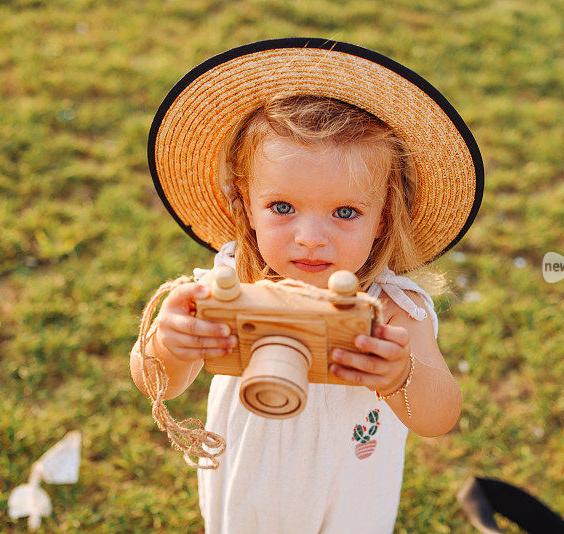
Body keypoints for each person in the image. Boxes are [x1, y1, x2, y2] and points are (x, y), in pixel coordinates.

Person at [130, 38, 483, 533]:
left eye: (345, 212)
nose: (311, 239)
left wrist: (401, 374)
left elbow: (440, 416)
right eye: (282, 208)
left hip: (346, 505)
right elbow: (156, 383)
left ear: (382, 218)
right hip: (246, 490)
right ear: (246, 206)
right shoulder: (230, 289)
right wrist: (169, 341)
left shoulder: (388, 309)